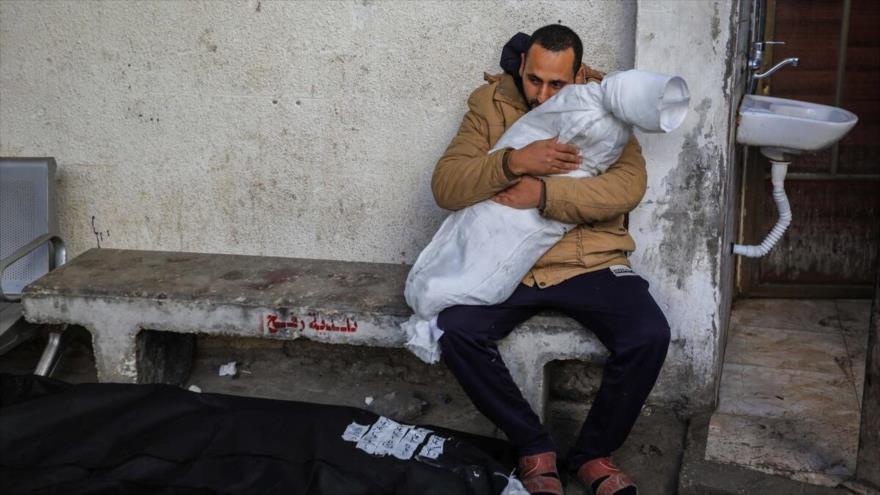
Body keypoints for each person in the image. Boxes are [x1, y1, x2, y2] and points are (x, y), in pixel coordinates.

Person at [431, 24, 671, 495]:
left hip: (586, 260)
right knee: (454, 329)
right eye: (534, 79)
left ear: (578, 74)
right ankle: (532, 446)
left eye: (556, 84)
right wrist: (515, 162)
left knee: (648, 335)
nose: (542, 95)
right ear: (522, 66)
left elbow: (627, 187)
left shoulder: (607, 101)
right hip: (505, 265)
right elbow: (447, 185)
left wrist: (545, 193)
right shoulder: (490, 104)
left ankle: (591, 455)